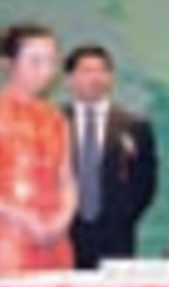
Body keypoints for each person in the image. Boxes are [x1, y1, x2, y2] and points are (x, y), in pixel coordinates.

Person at [63, 45, 158, 269]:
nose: (96, 78)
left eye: (102, 70)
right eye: (87, 71)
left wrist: (123, 217)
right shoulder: (54, 122)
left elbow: (145, 182)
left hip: (116, 235)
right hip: (63, 233)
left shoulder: (134, 126)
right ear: (69, 79)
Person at [0, 24, 77, 272]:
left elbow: (67, 180)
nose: (46, 71)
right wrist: (20, 217)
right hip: (7, 239)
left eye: (51, 62)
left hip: (53, 240)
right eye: (35, 61)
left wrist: (62, 220)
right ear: (8, 63)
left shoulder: (57, 119)